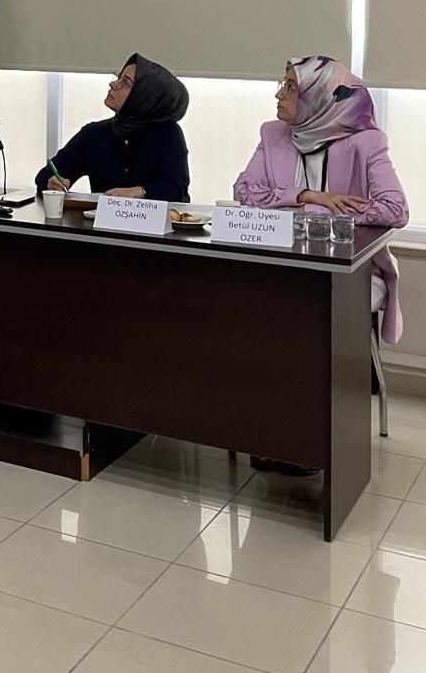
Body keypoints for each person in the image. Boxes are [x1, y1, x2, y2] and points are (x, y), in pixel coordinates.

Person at [234, 54, 408, 473]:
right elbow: (244, 191)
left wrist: (323, 214)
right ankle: (268, 429)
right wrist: (310, 197)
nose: (279, 94)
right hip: (286, 265)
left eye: (291, 87)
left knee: (303, 315)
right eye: (282, 84)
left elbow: (395, 209)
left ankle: (305, 439)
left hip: (355, 271)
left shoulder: (366, 141)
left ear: (319, 97)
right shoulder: (274, 133)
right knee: (254, 309)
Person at [36, 55, 191, 201]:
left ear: (143, 96)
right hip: (101, 221)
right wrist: (51, 182)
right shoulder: (93, 134)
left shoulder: (168, 133)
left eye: (126, 83)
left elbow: (176, 189)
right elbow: (46, 173)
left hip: (157, 220)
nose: (113, 84)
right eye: (119, 78)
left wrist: (139, 192)